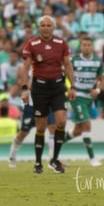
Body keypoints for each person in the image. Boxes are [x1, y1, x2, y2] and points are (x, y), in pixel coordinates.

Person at [20, 15, 76, 174]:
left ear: (53, 27)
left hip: (58, 87)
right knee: (41, 126)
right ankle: (38, 163)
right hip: (40, 88)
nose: (45, 28)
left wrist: (72, 86)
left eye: (48, 25)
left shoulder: (61, 43)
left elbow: (67, 65)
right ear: (39, 27)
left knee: (61, 122)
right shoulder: (32, 44)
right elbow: (25, 68)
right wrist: (25, 89)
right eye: (43, 25)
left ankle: (54, 160)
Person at [64, 37, 104, 167]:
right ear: (81, 47)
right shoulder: (74, 60)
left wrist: (97, 90)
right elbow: (67, 76)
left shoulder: (97, 62)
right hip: (77, 96)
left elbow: (101, 79)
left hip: (89, 98)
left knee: (78, 131)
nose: (86, 47)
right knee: (87, 125)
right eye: (84, 45)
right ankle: (92, 159)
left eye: (89, 45)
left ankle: (56, 142)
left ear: (92, 47)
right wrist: (71, 88)